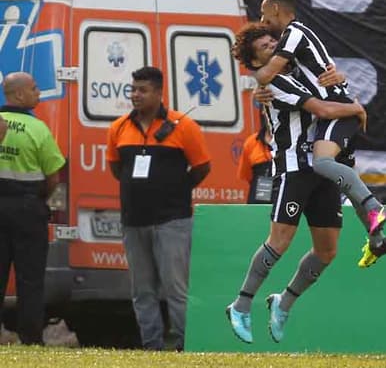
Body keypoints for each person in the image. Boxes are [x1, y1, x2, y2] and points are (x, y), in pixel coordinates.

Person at [226, 23, 366, 344]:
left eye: (275, 42)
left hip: (322, 169)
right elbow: (322, 109)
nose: (275, 48)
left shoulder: (299, 72)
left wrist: (339, 76)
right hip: (293, 169)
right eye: (265, 47)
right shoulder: (273, 81)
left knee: (327, 251)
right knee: (280, 242)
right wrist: (357, 108)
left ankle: (283, 302)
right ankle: (241, 304)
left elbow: (330, 90)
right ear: (256, 61)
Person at [255, 0, 386, 268]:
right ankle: (377, 239)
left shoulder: (293, 34)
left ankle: (375, 209)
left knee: (321, 164)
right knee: (344, 179)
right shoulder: (297, 46)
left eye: (263, 13)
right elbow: (321, 74)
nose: (262, 21)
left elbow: (267, 73)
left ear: (276, 9)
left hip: (338, 112)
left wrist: (256, 79)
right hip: (337, 111)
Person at [106, 66, 211, 351]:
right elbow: (117, 168)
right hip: (133, 220)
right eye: (133, 89)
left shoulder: (183, 126)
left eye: (143, 90)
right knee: (142, 291)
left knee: (176, 289)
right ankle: (151, 346)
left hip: (172, 220)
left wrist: (176, 189)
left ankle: (184, 345)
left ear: (159, 92)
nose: (136, 95)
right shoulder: (119, 127)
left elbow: (202, 167)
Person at [0, 72, 65, 345]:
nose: (38, 93)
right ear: (18, 95)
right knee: (31, 278)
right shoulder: (38, 129)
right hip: (29, 209)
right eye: (34, 88)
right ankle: (31, 339)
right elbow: (54, 177)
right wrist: (43, 202)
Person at [237, 109, 273, 203]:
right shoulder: (251, 142)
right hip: (259, 202)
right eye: (266, 109)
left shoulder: (292, 141)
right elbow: (247, 175)